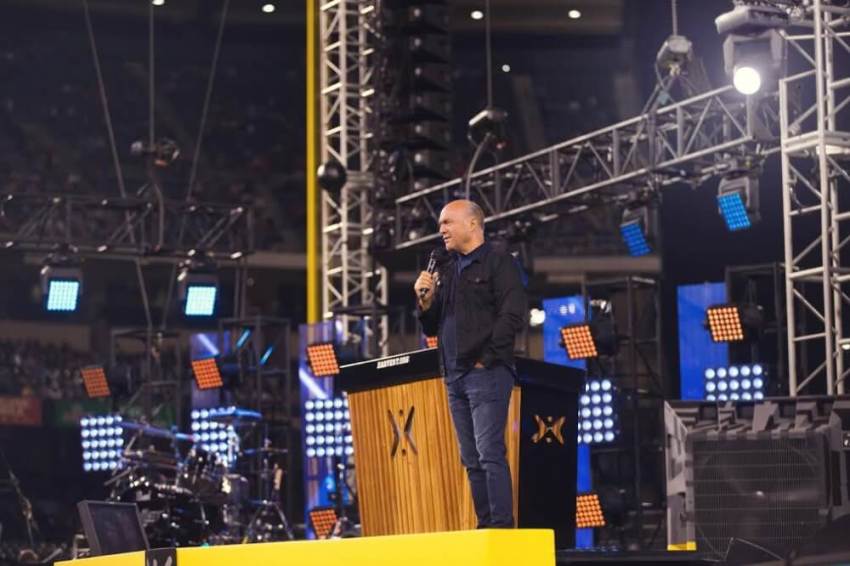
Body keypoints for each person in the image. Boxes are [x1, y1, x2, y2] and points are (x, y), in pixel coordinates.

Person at [414, 199, 527, 529]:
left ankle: (502, 528)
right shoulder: (446, 268)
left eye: (448, 222)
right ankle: (485, 525)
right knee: (471, 458)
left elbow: (513, 313)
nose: (442, 229)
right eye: (440, 224)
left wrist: (485, 358)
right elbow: (431, 326)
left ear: (473, 224)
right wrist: (425, 301)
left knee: (489, 451)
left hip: (486, 373)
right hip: (453, 375)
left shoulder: (498, 261)